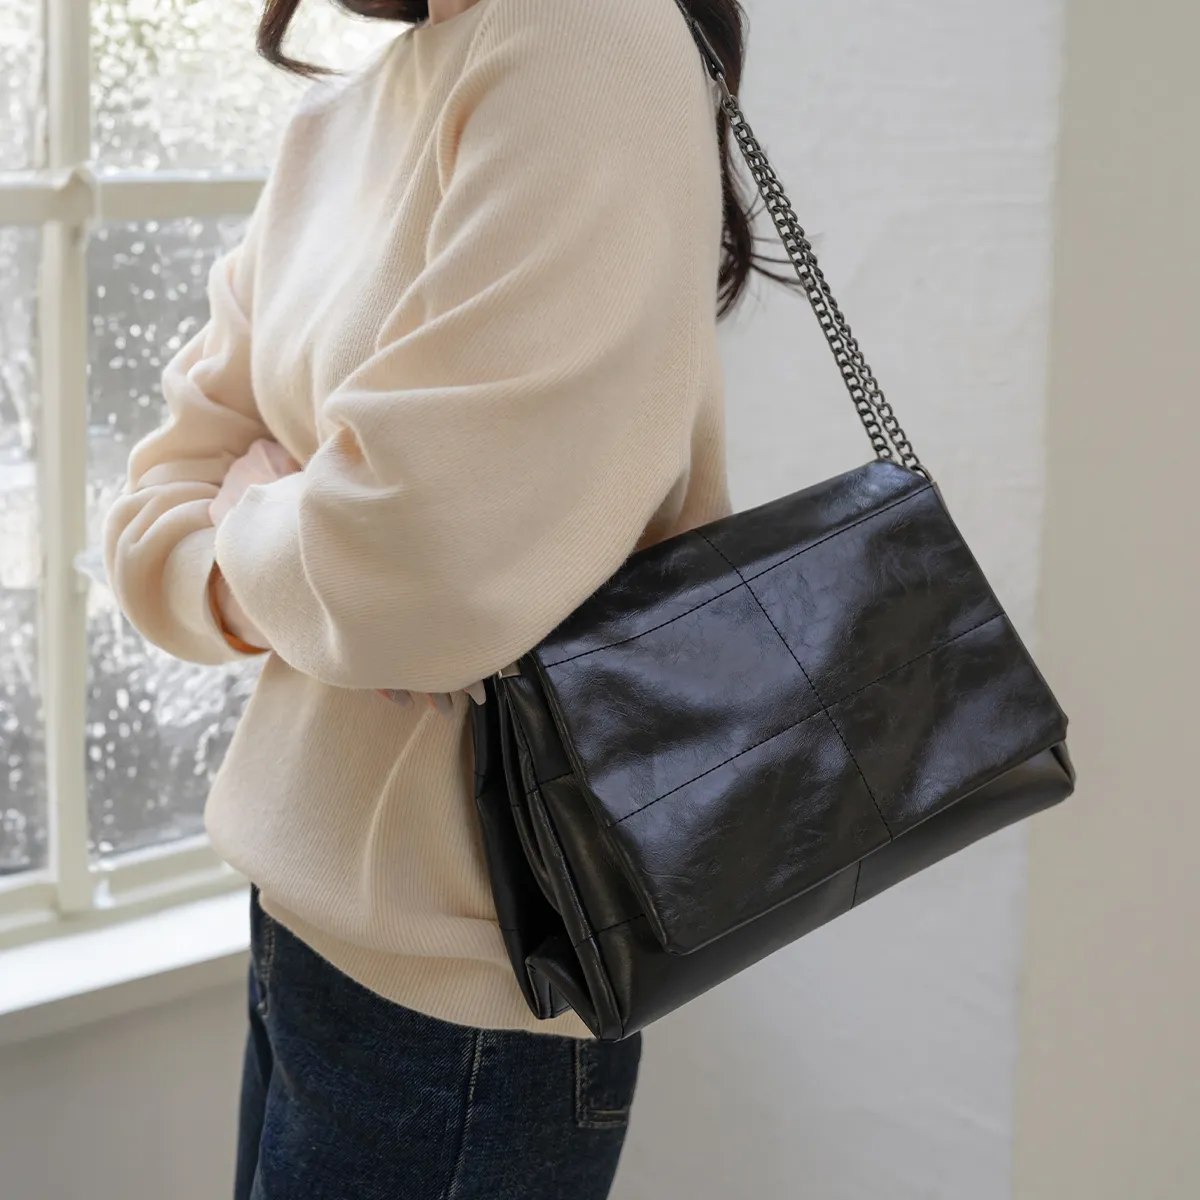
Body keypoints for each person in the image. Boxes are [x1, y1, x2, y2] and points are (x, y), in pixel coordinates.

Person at [103, 0, 792, 1195]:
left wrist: (271, 515)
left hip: (477, 981)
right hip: (301, 919)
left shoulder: (586, 38)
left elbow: (420, 571)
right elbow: (156, 500)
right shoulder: (346, 112)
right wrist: (315, 562)